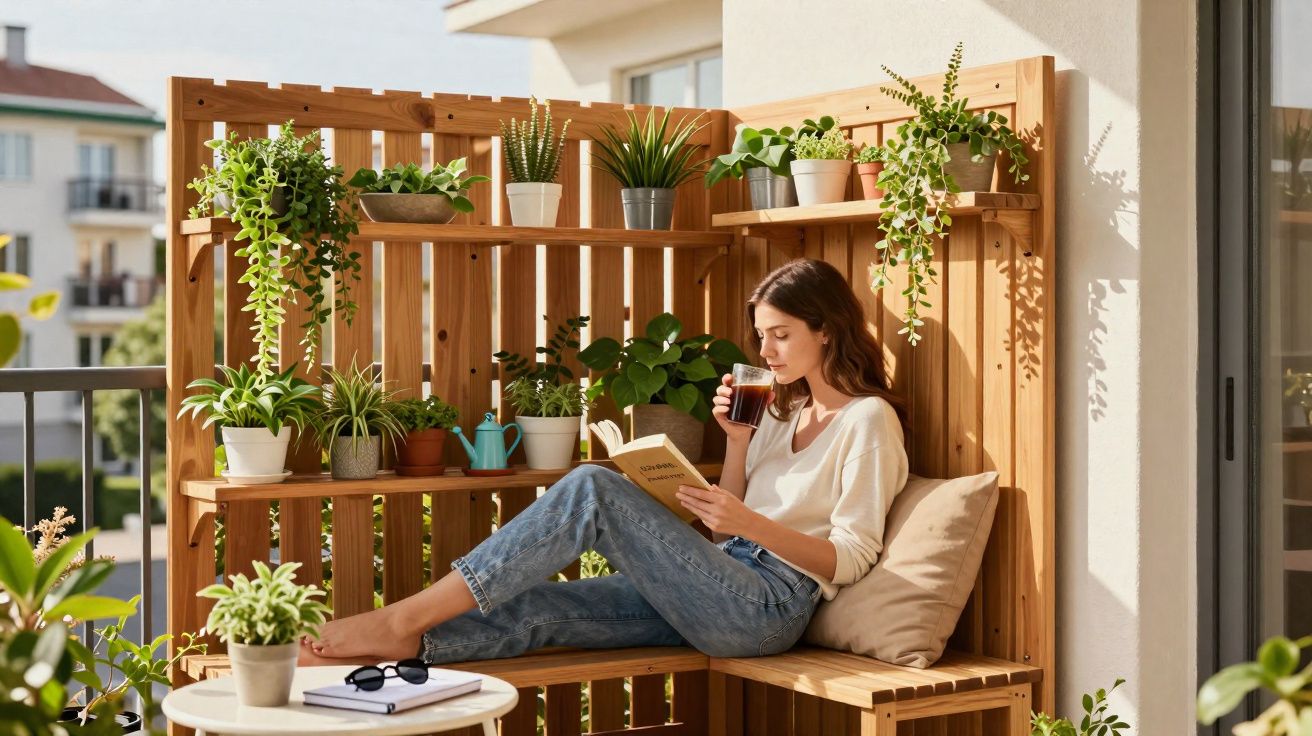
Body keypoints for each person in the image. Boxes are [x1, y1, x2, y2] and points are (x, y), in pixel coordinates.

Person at [299, 258, 909, 666]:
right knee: (543, 610)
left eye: (780, 334)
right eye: (760, 337)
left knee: (592, 485)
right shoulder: (779, 412)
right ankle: (368, 649)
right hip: (718, 577)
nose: (766, 350)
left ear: (825, 329)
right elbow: (723, 527)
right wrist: (738, 441)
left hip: (768, 609)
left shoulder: (868, 421)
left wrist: (749, 525)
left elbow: (852, 559)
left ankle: (398, 617)